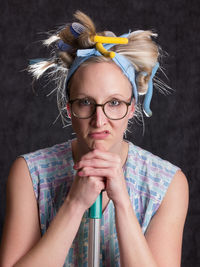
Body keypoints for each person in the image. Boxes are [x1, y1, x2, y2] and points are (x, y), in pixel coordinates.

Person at [0, 11, 188, 267]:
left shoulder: (167, 184)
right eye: (86, 102)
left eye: (113, 103)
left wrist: (122, 202)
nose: (99, 121)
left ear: (131, 108)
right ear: (69, 107)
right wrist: (75, 203)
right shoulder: (30, 175)